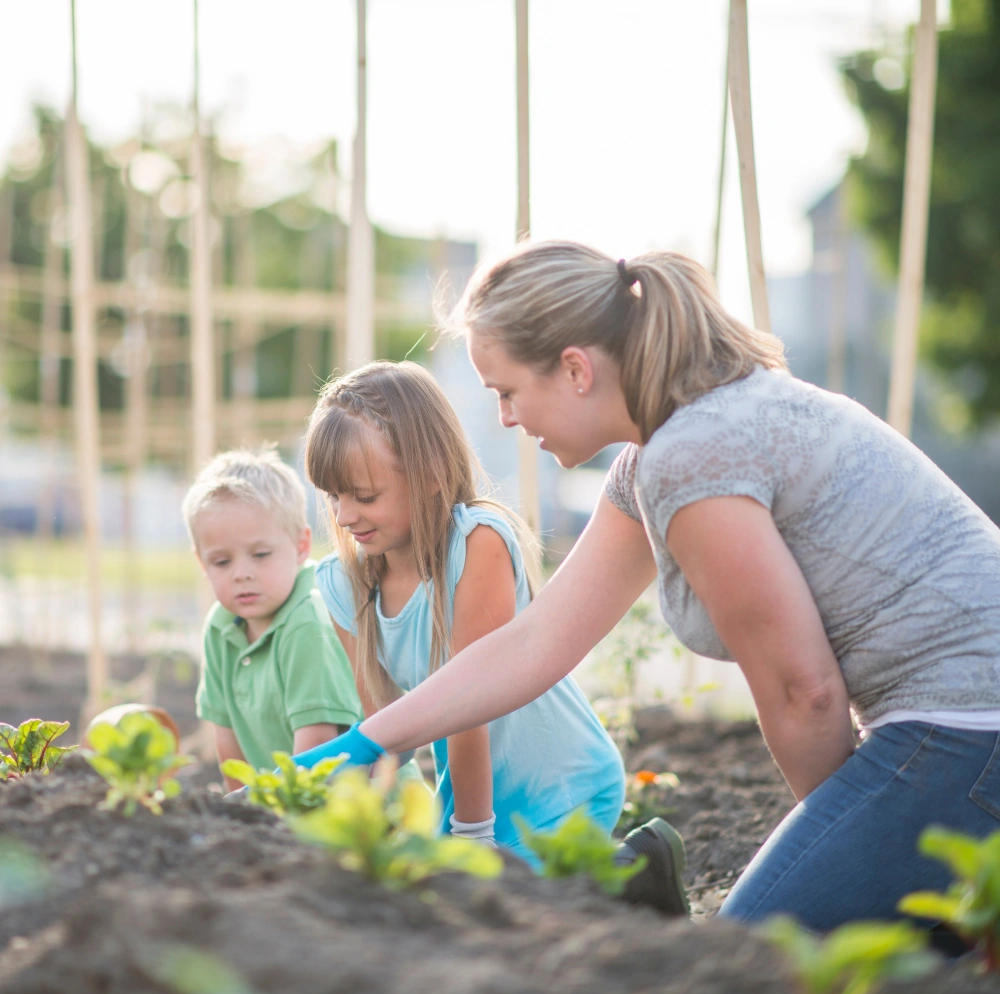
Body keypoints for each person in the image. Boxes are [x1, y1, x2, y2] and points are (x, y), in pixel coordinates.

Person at [296, 240, 1000, 931]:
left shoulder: (693, 455)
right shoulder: (657, 458)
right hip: (954, 730)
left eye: (508, 392)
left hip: (970, 725)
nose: (506, 419)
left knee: (747, 968)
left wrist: (843, 845)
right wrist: (372, 741)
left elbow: (804, 692)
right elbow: (538, 641)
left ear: (574, 369)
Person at [292, 360, 681, 880]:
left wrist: (472, 837)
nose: (343, 516)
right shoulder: (344, 584)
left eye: (364, 497)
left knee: (518, 915)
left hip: (561, 784)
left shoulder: (476, 544)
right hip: (471, 796)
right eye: (333, 497)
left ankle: (643, 867)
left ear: (429, 475)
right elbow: (388, 735)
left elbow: (471, 706)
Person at [184, 447, 363, 789]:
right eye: (222, 562)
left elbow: (317, 752)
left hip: (359, 812)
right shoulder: (220, 627)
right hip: (282, 807)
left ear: (300, 546)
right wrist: (242, 817)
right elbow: (228, 744)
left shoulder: (309, 621)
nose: (241, 574)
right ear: (202, 563)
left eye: (260, 555)